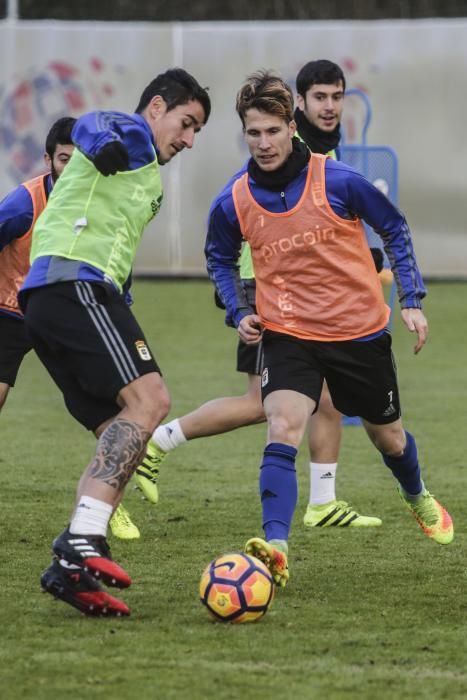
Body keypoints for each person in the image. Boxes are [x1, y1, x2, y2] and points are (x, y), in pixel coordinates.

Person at [204, 69, 453, 587]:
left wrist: (411, 297)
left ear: (290, 127)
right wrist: (237, 309)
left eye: (273, 131)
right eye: (253, 133)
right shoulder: (234, 200)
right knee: (283, 425)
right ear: (244, 133)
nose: (264, 143)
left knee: (390, 440)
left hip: (358, 333)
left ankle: (417, 494)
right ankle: (275, 546)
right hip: (288, 333)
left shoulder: (337, 180)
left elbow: (395, 226)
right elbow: (219, 257)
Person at [136, 60, 382, 529]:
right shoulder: (292, 145)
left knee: (327, 398)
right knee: (261, 403)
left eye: (337, 96)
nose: (329, 107)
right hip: (269, 284)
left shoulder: (322, 147)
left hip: (299, 287)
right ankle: (157, 443)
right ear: (300, 108)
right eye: (319, 98)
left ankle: (324, 501)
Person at [18, 68, 211, 617]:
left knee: (118, 434)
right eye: (186, 122)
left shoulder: (146, 171)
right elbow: (93, 124)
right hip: (72, 284)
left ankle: (73, 569)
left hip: (64, 298)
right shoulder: (127, 135)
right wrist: (100, 141)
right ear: (157, 107)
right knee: (151, 401)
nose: (189, 139)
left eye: (197, 130)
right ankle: (79, 541)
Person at [0, 117, 139, 542]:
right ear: (49, 160)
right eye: (64, 160)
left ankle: (108, 505)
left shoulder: (99, 199)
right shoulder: (24, 204)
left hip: (69, 313)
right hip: (9, 312)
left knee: (111, 420)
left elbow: (117, 257)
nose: (73, 168)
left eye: (81, 159)